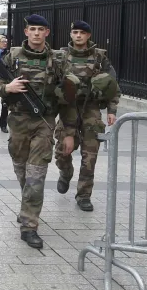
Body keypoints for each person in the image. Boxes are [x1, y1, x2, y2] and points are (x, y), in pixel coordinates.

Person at [0, 14, 78, 249]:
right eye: (33, 29)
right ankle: (27, 206)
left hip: (44, 124)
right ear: (26, 32)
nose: (37, 33)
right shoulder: (12, 57)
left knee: (36, 176)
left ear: (47, 33)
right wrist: (8, 87)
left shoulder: (58, 60)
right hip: (17, 123)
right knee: (23, 172)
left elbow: (69, 100)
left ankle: (29, 225)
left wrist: (68, 132)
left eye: (41, 29)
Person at [55, 21, 120, 212]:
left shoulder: (100, 57)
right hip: (68, 109)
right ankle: (65, 173)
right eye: (75, 32)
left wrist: (112, 110)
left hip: (91, 110)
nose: (78, 36)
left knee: (89, 155)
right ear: (71, 34)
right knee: (62, 152)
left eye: (82, 33)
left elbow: (112, 85)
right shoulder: (61, 56)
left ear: (88, 36)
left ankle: (84, 195)